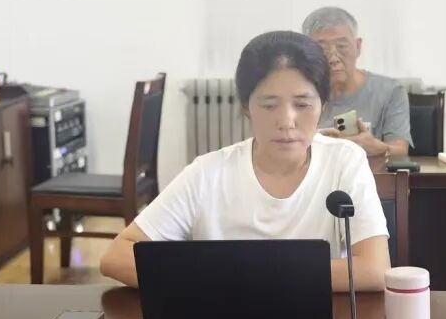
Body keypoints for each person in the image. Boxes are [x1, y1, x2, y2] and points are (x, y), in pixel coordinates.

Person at [100, 30, 390, 292]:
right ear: (246, 107)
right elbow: (117, 256)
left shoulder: (343, 161)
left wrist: (247, 276)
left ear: (323, 106)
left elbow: (375, 270)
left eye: (302, 104)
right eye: (269, 105)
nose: (286, 121)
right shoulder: (208, 173)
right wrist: (234, 280)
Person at [302, 7, 412, 157]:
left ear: (358, 46)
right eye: (322, 49)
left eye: (342, 46)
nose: (333, 58)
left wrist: (377, 148)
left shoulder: (390, 91)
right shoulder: (298, 93)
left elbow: (400, 151)